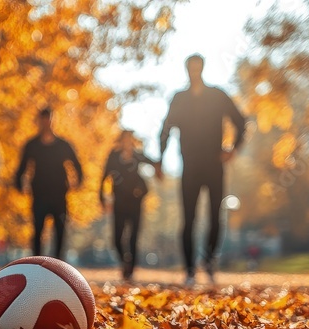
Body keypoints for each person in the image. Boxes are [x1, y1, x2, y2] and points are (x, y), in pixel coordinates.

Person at [160, 54, 247, 286]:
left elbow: (241, 121)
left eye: (198, 68)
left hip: (214, 164)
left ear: (203, 69)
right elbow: (166, 128)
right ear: (187, 70)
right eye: (191, 68)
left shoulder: (217, 96)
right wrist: (160, 159)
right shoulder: (179, 99)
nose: (194, 72)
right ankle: (189, 268)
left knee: (215, 216)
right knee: (188, 218)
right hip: (189, 166)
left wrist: (233, 148)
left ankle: (208, 261)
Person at [14, 107, 84, 260]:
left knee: (60, 229)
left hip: (59, 194)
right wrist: (20, 185)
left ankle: (59, 262)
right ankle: (37, 261)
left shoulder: (63, 145)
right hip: (39, 193)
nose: (46, 123)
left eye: (49, 119)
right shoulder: (32, 145)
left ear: (53, 121)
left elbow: (76, 164)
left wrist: (77, 181)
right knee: (38, 228)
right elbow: (22, 167)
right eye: (43, 120)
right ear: (39, 121)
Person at [100, 130, 162, 281]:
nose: (127, 142)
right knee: (117, 238)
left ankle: (130, 270)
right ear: (120, 140)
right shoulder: (113, 156)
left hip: (135, 201)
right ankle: (124, 261)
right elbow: (104, 177)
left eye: (129, 140)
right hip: (119, 202)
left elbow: (153, 162)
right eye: (124, 139)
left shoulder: (136, 155)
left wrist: (159, 171)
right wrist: (101, 198)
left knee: (133, 236)